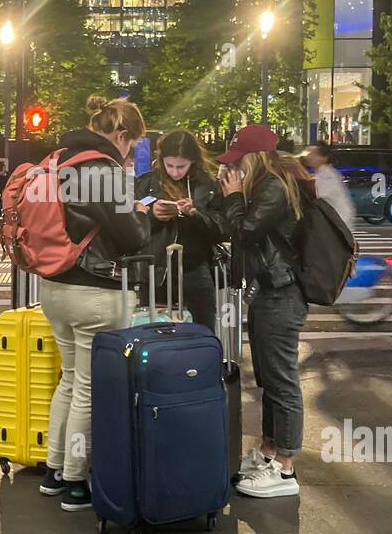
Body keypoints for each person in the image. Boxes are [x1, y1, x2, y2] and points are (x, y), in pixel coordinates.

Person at [39, 95, 151, 512]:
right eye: (131, 145)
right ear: (121, 135)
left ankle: (53, 471)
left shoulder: (57, 159)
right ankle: (75, 482)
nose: (129, 153)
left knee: (69, 380)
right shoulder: (99, 168)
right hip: (95, 289)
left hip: (53, 286)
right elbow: (133, 236)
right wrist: (141, 213)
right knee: (88, 388)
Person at [218, 124, 313, 499]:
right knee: (270, 381)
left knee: (282, 381)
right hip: (269, 291)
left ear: (253, 159)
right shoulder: (267, 186)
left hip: (282, 293)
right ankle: (270, 452)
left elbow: (246, 230)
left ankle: (285, 468)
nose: (234, 169)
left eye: (238, 162)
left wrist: (234, 197)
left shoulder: (273, 187)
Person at [133, 129, 226, 330]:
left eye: (181, 166)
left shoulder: (208, 185)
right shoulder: (146, 183)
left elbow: (223, 229)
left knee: (203, 330)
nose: (175, 172)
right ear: (161, 159)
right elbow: (133, 227)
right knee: (156, 332)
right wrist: (152, 216)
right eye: (170, 165)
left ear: (193, 161)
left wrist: (195, 214)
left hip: (195, 267)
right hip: (155, 269)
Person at [300, 140, 356, 230]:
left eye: (313, 153)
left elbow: (319, 196)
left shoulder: (328, 176)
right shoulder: (322, 173)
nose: (308, 156)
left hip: (337, 224)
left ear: (324, 158)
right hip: (333, 223)